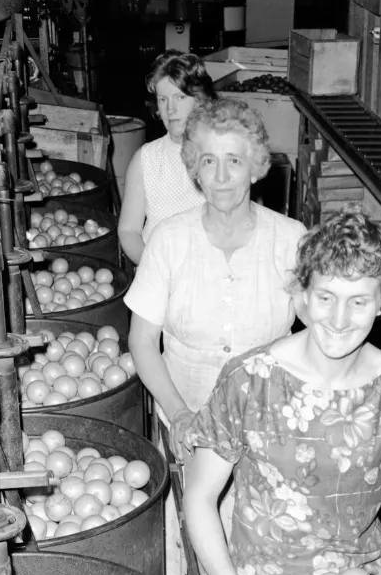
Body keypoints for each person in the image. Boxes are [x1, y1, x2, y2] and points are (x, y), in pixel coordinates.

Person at [176, 209, 381, 575]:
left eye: (358, 302)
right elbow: (199, 496)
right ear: (303, 294)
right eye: (325, 297)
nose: (338, 319)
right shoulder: (250, 381)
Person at [124, 96, 307, 427]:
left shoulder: (291, 239)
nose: (221, 177)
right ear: (195, 169)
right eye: (209, 161)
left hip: (268, 423)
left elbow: (321, 326)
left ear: (255, 168)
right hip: (186, 420)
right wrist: (178, 413)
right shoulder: (168, 240)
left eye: (234, 161)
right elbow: (142, 340)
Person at [116, 52, 214, 265]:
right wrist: (155, 270)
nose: (170, 109)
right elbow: (128, 230)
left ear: (200, 100)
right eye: (163, 99)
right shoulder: (146, 159)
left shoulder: (219, 154)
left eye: (180, 97)